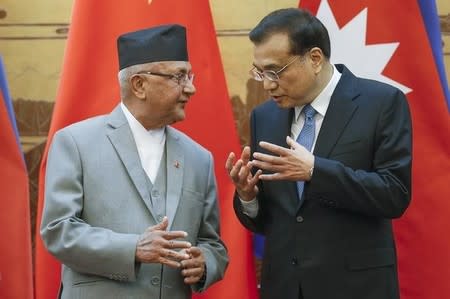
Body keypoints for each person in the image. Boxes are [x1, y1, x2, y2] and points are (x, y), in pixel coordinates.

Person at [226, 8, 412, 299]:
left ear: (314, 59)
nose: (267, 84)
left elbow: (394, 195)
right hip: (285, 287)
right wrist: (249, 198)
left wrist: (315, 170)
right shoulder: (265, 117)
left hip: (355, 288)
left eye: (275, 71)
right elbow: (273, 222)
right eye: (260, 72)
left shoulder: (381, 104)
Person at [41, 24, 228, 299]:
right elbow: (58, 231)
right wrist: (133, 248)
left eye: (191, 76)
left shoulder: (200, 158)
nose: (192, 88)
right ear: (139, 85)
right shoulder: (75, 142)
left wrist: (205, 264)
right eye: (179, 77)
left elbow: (213, 244)